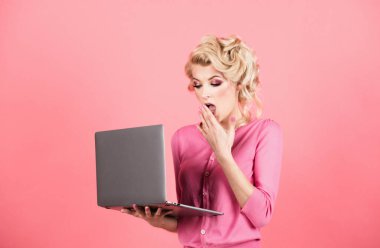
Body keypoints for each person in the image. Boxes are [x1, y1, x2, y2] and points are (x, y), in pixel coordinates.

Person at [121, 34, 284, 248]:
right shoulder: (182, 139)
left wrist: (223, 155)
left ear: (238, 84)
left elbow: (262, 215)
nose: (205, 93)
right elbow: (190, 219)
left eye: (215, 83)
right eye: (198, 85)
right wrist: (160, 221)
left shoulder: (264, 132)